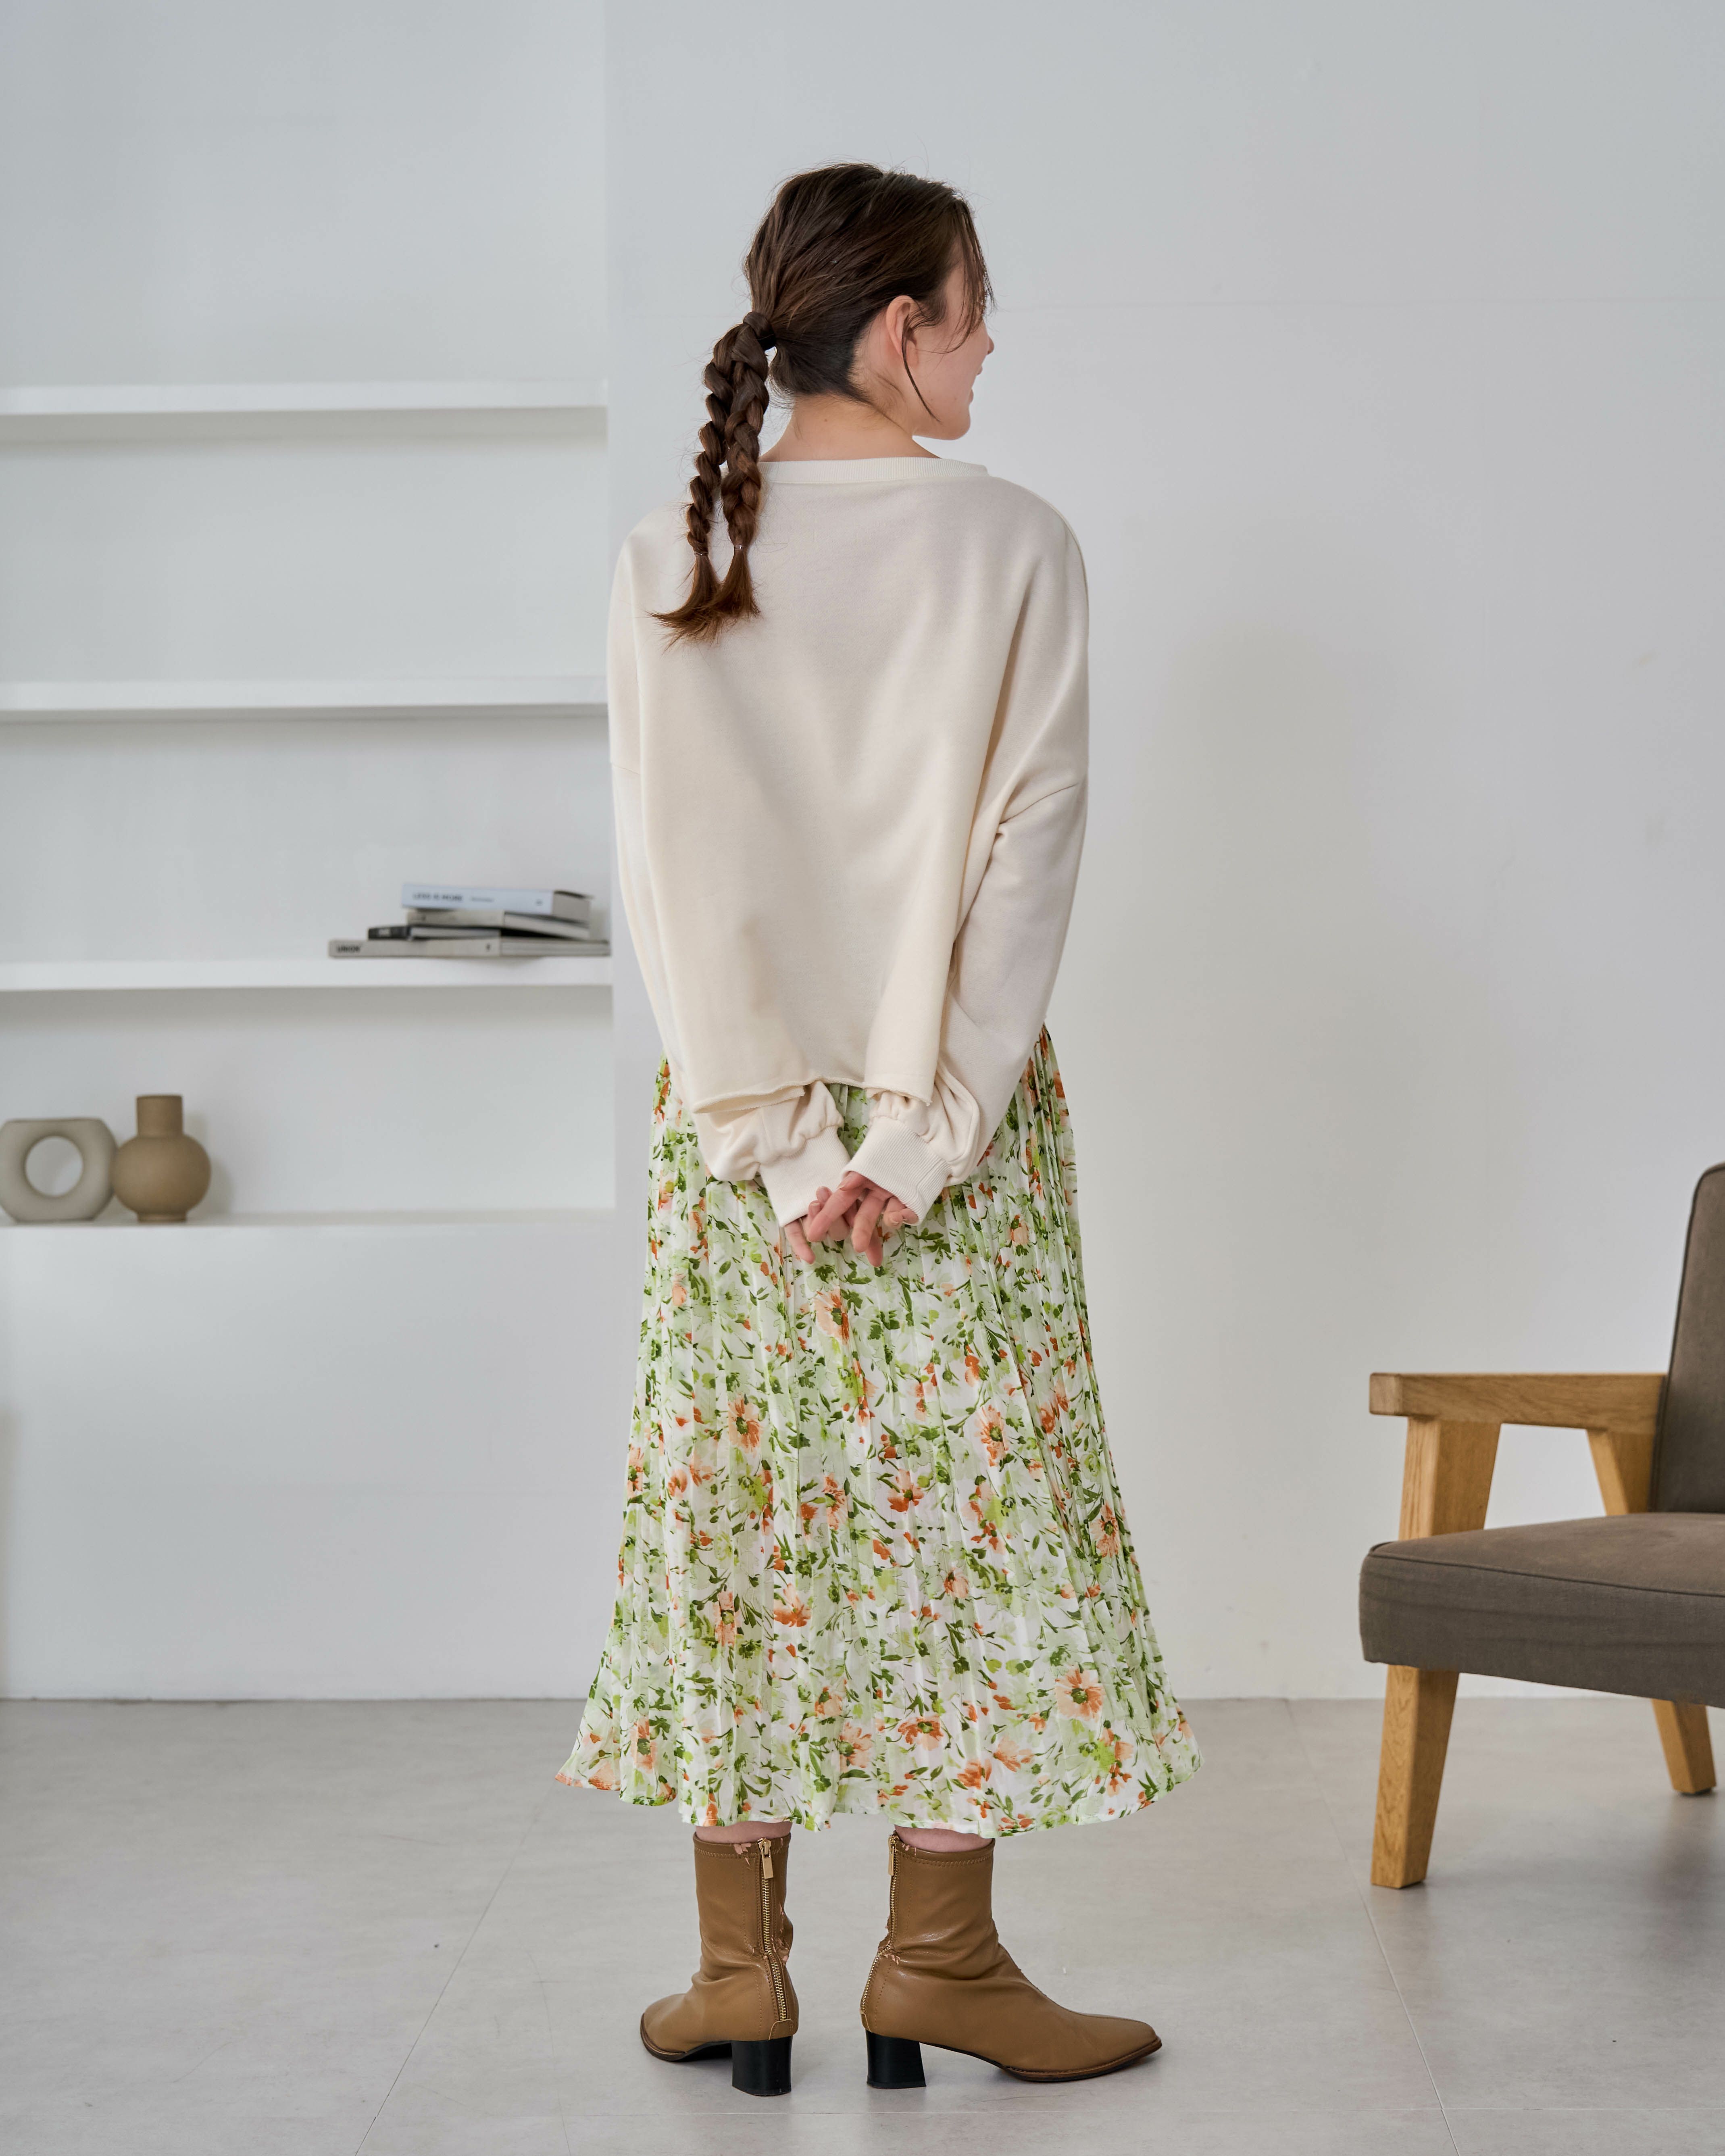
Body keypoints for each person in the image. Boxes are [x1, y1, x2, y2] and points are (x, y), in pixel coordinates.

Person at [557, 160, 1200, 2100]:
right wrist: (920, 1140)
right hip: (957, 1128)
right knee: (976, 1529)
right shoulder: (1013, 543)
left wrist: (771, 1140)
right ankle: (939, 1959)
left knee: (735, 1514)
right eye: (975, 312)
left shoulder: (670, 548)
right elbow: (1027, 852)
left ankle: (734, 1971)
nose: (993, 347)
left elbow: (664, 878)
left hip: (732, 1128)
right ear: (902, 328)